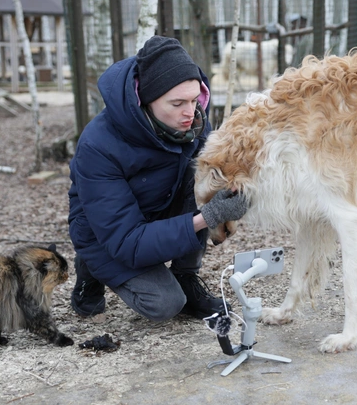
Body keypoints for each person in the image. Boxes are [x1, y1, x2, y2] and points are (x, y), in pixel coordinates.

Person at [67, 36, 247, 322]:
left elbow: (207, 182)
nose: (190, 112)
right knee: (165, 303)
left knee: (202, 176)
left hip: (158, 206)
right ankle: (90, 266)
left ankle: (185, 276)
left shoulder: (193, 122)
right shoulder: (98, 145)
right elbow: (127, 240)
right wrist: (209, 216)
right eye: (177, 103)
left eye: (194, 99)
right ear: (146, 100)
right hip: (110, 233)